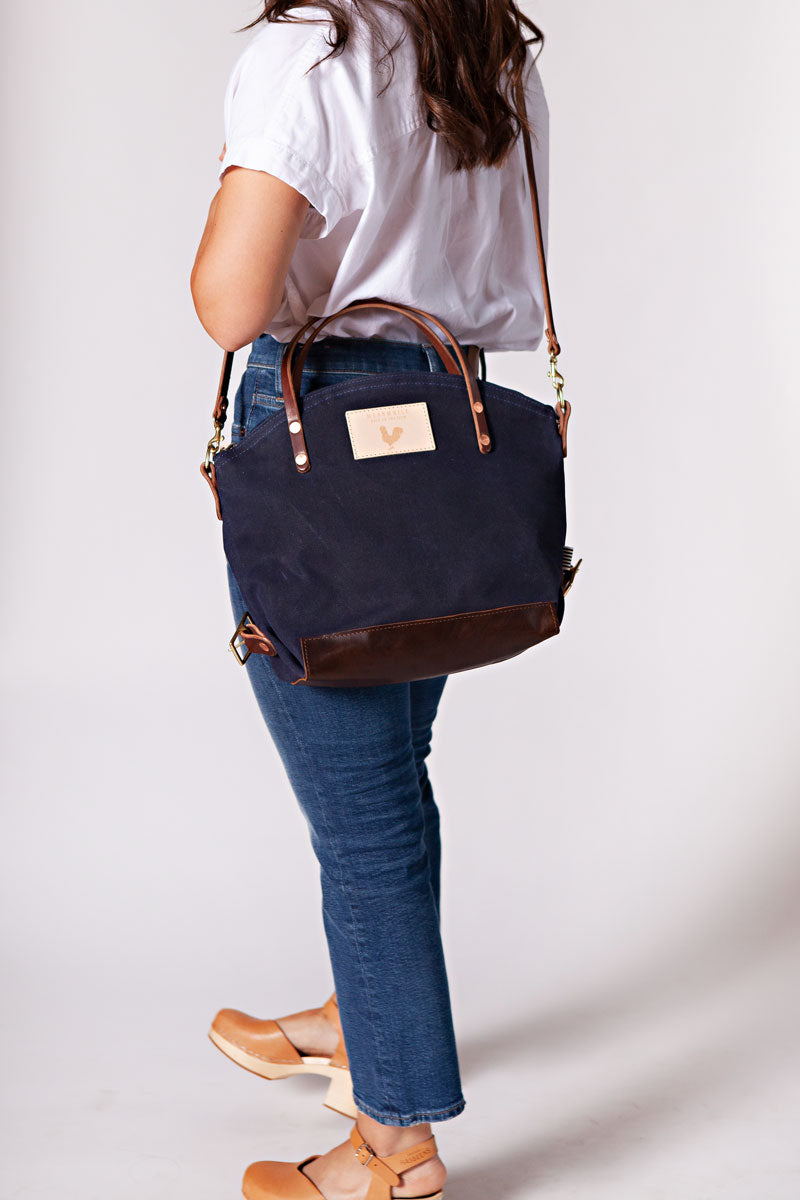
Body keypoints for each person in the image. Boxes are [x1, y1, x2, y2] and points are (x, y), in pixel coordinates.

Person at [190, 2, 550, 1197]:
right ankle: (362, 1022)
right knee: (389, 776)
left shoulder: (308, 53)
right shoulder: (481, 43)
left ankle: (392, 1143)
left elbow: (229, 304)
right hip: (448, 419)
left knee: (362, 812)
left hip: (323, 423)